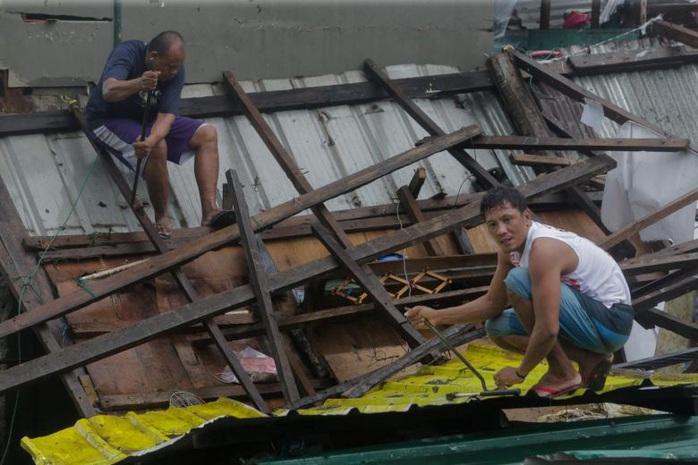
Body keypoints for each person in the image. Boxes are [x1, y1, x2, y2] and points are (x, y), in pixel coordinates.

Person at [405, 186, 634, 397]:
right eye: (492, 224)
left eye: (507, 220)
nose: (501, 231)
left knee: (517, 280)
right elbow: (493, 303)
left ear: (526, 217)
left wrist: (520, 372)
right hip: (590, 323)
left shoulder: (544, 249)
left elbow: (548, 328)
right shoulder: (510, 251)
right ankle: (589, 359)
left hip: (612, 322)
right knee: (496, 327)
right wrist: (437, 316)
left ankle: (562, 373)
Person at [86, 30, 221, 238]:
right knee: (159, 147)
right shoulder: (128, 52)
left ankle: (210, 211)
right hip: (107, 119)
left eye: (178, 67)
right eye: (170, 66)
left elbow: (166, 116)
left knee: (208, 134)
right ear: (153, 57)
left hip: (147, 120)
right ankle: (162, 216)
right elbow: (109, 91)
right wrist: (139, 83)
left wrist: (150, 140)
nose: (174, 72)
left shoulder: (176, 70)